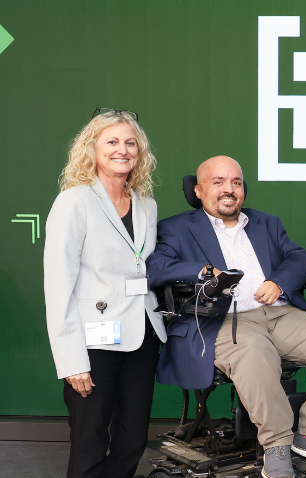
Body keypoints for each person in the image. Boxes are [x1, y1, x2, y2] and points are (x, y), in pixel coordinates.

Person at [147, 156, 306, 478]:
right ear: (199, 190)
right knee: (254, 351)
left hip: (278, 313)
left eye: (235, 182)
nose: (228, 189)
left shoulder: (265, 223)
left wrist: (279, 282)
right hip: (222, 319)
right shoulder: (178, 228)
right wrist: (202, 272)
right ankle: (276, 445)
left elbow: (298, 256)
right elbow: (155, 268)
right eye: (218, 182)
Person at [43, 109, 167, 478]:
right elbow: (58, 283)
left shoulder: (147, 204)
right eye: (112, 142)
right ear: (92, 150)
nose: (122, 150)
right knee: (89, 441)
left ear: (140, 152)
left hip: (143, 334)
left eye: (130, 143)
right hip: (92, 340)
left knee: (133, 441)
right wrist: (71, 361)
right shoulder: (74, 201)